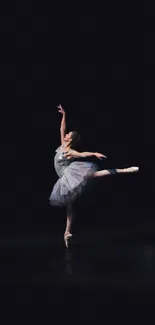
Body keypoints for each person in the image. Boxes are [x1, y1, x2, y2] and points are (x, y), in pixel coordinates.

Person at [49, 104, 139, 248]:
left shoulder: (70, 151)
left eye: (68, 135)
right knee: (69, 206)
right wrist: (64, 114)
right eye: (66, 134)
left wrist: (94, 153)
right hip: (64, 179)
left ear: (70, 139)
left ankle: (125, 170)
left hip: (69, 175)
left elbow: (82, 154)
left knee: (95, 175)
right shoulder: (62, 145)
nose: (65, 135)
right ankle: (67, 233)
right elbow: (62, 128)